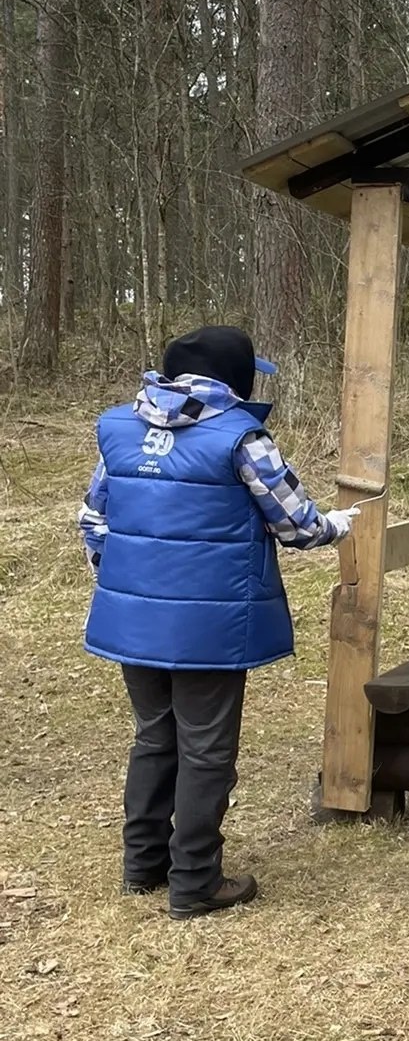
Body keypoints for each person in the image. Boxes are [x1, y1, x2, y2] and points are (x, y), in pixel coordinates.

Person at [79, 326, 357, 920]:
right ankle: (196, 882)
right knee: (206, 750)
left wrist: (126, 579)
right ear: (236, 378)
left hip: (134, 619)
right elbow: (296, 525)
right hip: (212, 624)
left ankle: (143, 865)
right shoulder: (242, 437)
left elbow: (93, 519)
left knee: (155, 736)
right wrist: (339, 524)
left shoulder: (118, 429)